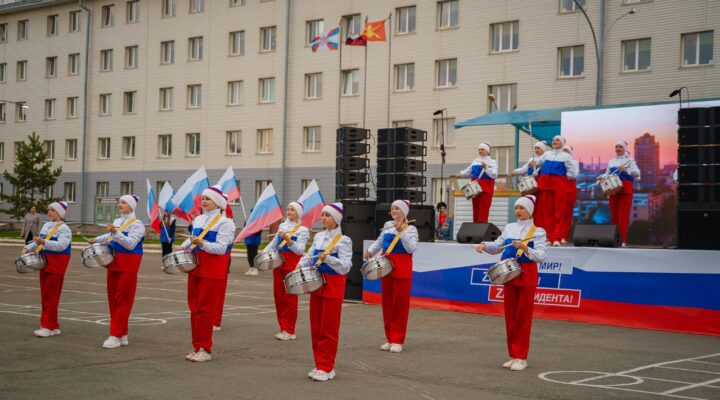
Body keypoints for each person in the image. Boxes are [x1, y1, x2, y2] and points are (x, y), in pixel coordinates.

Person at [474, 195, 547, 371]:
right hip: (510, 274)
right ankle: (513, 354)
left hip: (527, 274)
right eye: (516, 208)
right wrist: (484, 246)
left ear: (529, 210)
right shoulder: (509, 228)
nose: (518, 211)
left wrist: (525, 248)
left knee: (523, 316)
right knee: (511, 316)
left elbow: (542, 256)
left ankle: (522, 357)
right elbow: (497, 246)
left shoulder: (538, 231)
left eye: (522, 208)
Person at [176, 186, 236, 362]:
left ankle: (205, 348)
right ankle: (197, 346)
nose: (203, 201)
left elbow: (221, 248)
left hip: (212, 269)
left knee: (205, 310)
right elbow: (193, 237)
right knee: (194, 308)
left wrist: (201, 244)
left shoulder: (226, 222)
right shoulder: (199, 219)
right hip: (195, 267)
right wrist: (184, 245)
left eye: (207, 199)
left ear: (217, 202)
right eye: (202, 198)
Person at [298, 203, 352, 382]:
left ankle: (327, 366)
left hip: (333, 285)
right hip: (317, 284)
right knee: (316, 327)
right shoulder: (319, 236)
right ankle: (318, 363)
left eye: (327, 215)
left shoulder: (344, 240)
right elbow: (310, 255)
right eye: (322, 215)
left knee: (329, 328)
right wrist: (300, 264)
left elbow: (345, 266)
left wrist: (328, 258)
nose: (322, 218)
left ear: (335, 219)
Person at [89, 195, 145, 349]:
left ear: (131, 206)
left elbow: (130, 244)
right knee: (113, 299)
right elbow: (110, 236)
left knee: (123, 300)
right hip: (114, 262)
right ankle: (122, 334)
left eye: (123, 202)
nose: (119, 204)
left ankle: (114, 335)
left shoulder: (138, 224)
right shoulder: (118, 221)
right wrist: (97, 239)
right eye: (119, 202)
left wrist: (116, 233)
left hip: (128, 264)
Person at [364, 200, 418, 353]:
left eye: (397, 208)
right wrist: (370, 251)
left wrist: (402, 231)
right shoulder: (388, 225)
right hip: (386, 267)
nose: (393, 211)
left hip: (402, 268)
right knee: (387, 304)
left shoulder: (411, 229)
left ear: (404, 212)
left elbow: (411, 248)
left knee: (400, 305)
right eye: (392, 208)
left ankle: (398, 339)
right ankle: (389, 338)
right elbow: (380, 241)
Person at [21, 201, 71, 337]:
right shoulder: (47, 225)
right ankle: (53, 326)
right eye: (49, 210)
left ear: (60, 213)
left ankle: (47, 326)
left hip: (56, 264)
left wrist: (44, 242)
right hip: (45, 262)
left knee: (50, 296)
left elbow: (61, 246)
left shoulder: (65, 229)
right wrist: (28, 247)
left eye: (53, 210)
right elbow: (38, 240)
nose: (49, 212)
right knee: (46, 295)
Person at [264, 201, 309, 341]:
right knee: (278, 297)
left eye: (292, 210)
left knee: (290, 298)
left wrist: (288, 240)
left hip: (291, 266)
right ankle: (282, 327)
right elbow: (274, 244)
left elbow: (300, 250)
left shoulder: (302, 230)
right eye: (288, 209)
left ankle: (290, 329)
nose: (289, 212)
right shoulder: (282, 226)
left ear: (298, 213)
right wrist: (263, 253)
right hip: (279, 265)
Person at [535, 135, 577, 246]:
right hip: (546, 185)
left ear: (562, 143)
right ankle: (550, 237)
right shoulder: (547, 154)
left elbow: (572, 172)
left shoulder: (566, 156)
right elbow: (538, 162)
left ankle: (557, 237)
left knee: (559, 211)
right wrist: (534, 163)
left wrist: (564, 178)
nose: (554, 141)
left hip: (559, 185)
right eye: (553, 140)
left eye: (557, 140)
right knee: (547, 212)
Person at [597, 140, 640, 246]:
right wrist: (601, 177)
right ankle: (614, 239)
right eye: (616, 147)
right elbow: (607, 174)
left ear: (625, 148)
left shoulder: (630, 161)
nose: (618, 148)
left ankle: (622, 240)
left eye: (620, 146)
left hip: (625, 189)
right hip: (613, 190)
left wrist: (626, 170)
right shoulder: (611, 161)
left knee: (623, 217)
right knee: (614, 216)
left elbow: (637, 173)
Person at [458, 142, 498, 223]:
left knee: (484, 210)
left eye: (482, 149)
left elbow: (494, 174)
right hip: (475, 189)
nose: (480, 151)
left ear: (487, 151)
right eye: (479, 149)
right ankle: (475, 226)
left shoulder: (492, 162)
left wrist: (486, 168)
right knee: (475, 209)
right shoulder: (475, 161)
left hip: (486, 189)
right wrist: (461, 173)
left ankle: (481, 227)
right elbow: (468, 170)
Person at [559, 145, 579, 244]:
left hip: (570, 191)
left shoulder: (574, 163)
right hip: (559, 190)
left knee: (567, 213)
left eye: (567, 150)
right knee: (558, 213)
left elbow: (574, 175)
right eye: (564, 150)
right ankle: (555, 235)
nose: (565, 152)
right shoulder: (558, 162)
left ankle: (563, 236)